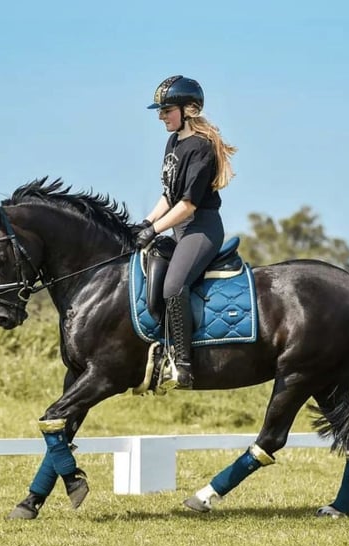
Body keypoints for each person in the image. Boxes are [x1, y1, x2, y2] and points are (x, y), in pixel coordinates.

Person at [133, 75, 237, 390]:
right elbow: (168, 195)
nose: (161, 116)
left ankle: (184, 364)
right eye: (160, 110)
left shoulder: (201, 148)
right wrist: (145, 223)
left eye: (166, 110)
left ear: (188, 109)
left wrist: (153, 229)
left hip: (202, 228)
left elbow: (188, 204)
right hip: (179, 228)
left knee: (174, 285)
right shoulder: (174, 143)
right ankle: (160, 346)